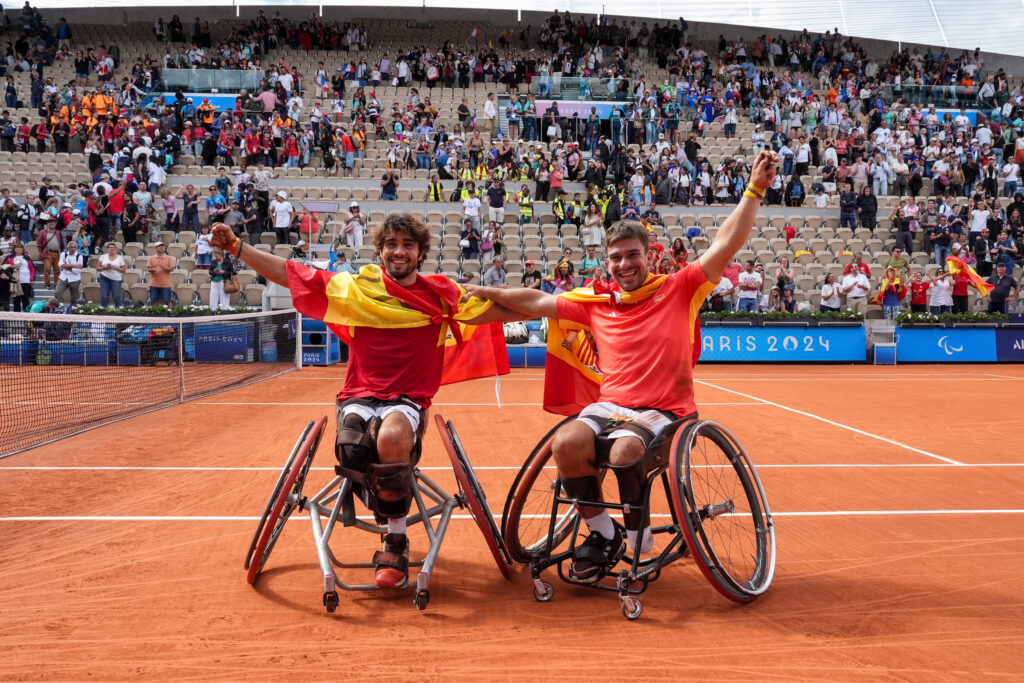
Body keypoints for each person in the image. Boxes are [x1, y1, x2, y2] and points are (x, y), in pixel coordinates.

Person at [466, 150, 781, 584]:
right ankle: (603, 534)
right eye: (615, 258)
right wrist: (478, 292)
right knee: (566, 443)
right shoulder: (597, 303)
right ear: (606, 261)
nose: (624, 264)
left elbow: (726, 242)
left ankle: (639, 536)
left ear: (648, 255)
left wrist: (755, 189)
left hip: (667, 411)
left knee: (626, 451)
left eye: (632, 255)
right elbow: (534, 302)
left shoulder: (679, 288)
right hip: (612, 406)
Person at [209, 213, 512, 589]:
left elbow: (500, 309)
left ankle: (396, 540)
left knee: (391, 437)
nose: (398, 252)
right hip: (360, 394)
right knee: (351, 444)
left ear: (421, 253)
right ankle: (379, 487)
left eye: (407, 245)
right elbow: (290, 274)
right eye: (391, 245)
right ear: (380, 250)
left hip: (407, 398)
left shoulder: (441, 294)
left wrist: (568, 309)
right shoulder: (357, 289)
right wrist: (238, 247)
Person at [54, 241, 83, 306]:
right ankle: (60, 306)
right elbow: (60, 265)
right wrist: (74, 266)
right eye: (71, 247)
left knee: (74, 297)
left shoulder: (79, 256)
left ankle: (73, 310)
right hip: (63, 277)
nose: (73, 249)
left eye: (74, 247)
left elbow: (78, 270)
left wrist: (66, 265)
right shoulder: (63, 254)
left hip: (75, 279)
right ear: (68, 247)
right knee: (57, 293)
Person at [147, 242, 176, 307]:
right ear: (155, 248)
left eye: (162, 245)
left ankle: (170, 314)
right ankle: (155, 314)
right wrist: (151, 270)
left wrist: (163, 266)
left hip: (165, 284)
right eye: (159, 246)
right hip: (154, 283)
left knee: (168, 300)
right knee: (154, 300)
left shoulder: (169, 258)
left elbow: (172, 269)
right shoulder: (151, 258)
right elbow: (148, 268)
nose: (161, 247)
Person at [98, 241, 126, 308]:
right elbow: (97, 268)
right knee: (104, 295)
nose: (112, 249)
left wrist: (115, 267)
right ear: (107, 249)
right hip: (104, 277)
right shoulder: (103, 256)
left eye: (113, 247)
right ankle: (103, 309)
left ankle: (118, 308)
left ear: (116, 249)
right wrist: (104, 268)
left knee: (116, 295)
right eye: (110, 247)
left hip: (116, 278)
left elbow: (124, 270)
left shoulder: (120, 257)